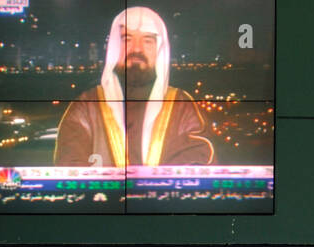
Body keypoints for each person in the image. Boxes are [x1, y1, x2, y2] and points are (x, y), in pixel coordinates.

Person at [53, 6, 214, 168]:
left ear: (159, 51)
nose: (137, 49)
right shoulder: (87, 107)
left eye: (147, 41)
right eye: (127, 39)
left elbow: (199, 163)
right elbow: (70, 166)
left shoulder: (182, 106)